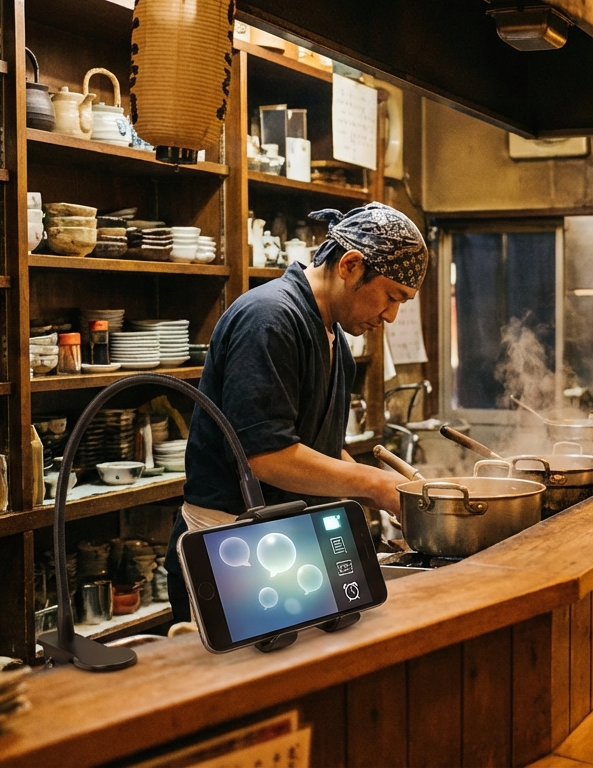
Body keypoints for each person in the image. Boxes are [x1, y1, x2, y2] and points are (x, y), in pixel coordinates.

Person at [165, 202, 427, 621]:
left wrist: (392, 493)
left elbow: (317, 449)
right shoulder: (269, 318)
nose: (392, 316)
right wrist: (374, 483)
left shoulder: (334, 341)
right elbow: (267, 456)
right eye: (392, 297)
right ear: (351, 265)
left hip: (280, 543)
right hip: (225, 545)